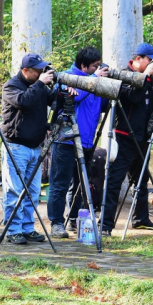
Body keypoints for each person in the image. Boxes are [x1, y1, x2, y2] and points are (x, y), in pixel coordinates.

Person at [101, 43, 153, 236]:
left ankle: (141, 219)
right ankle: (105, 224)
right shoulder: (122, 76)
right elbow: (132, 97)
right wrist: (146, 76)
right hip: (124, 137)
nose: (152, 63)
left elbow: (151, 104)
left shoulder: (149, 80)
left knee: (142, 180)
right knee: (115, 180)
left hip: (142, 137)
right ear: (138, 59)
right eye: (149, 59)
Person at [46, 46, 109, 239]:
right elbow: (75, 97)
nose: (98, 68)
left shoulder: (95, 79)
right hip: (66, 138)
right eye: (95, 66)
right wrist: (95, 78)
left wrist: (105, 84)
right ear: (84, 66)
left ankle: (75, 218)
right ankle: (56, 222)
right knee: (60, 182)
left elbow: (104, 105)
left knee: (82, 183)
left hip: (87, 140)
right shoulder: (65, 77)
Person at [1, 53, 58, 245]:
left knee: (32, 192)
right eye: (38, 70)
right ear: (25, 71)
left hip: (36, 147)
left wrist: (63, 90)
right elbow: (23, 102)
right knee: (15, 191)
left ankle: (27, 227)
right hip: (16, 146)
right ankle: (13, 230)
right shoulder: (11, 86)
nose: (42, 72)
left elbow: (53, 100)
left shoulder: (39, 86)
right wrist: (41, 84)